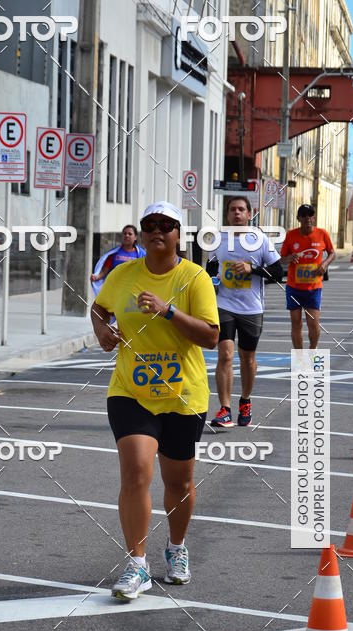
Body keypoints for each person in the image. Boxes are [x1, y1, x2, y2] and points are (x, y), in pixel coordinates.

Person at [91, 201, 219, 601]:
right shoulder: (123, 274)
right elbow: (98, 307)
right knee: (136, 472)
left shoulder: (193, 278)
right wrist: (102, 330)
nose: (156, 231)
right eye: (149, 225)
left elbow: (211, 336)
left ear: (180, 234)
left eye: (166, 225)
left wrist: (168, 312)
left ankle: (176, 548)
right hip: (131, 391)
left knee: (178, 482)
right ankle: (137, 564)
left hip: (184, 395)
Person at [206, 195, 283, 428]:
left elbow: (279, 272)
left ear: (250, 214)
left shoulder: (259, 240)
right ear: (227, 214)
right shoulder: (218, 240)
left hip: (251, 308)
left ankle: (245, 401)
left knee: (247, 358)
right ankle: (224, 409)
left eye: (241, 209)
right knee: (225, 355)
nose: (237, 213)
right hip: (224, 305)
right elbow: (209, 268)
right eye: (232, 210)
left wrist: (253, 269)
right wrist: (212, 280)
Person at [279, 203, 335, 349]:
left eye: (310, 214)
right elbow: (282, 258)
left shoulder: (322, 234)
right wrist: (290, 257)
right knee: (296, 323)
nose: (307, 218)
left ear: (314, 217)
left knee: (313, 324)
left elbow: (332, 253)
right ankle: (299, 357)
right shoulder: (291, 235)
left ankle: (312, 350)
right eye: (303, 215)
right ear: (298, 218)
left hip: (313, 288)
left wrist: (325, 264)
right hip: (293, 287)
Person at [90, 225, 145, 296]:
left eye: (130, 234)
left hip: (133, 292)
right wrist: (96, 277)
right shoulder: (113, 253)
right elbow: (104, 271)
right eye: (124, 233)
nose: (127, 235)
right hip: (115, 291)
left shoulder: (141, 255)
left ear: (135, 237)